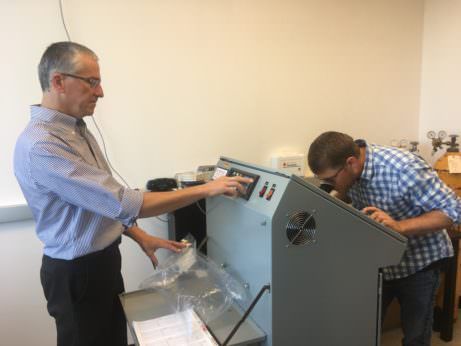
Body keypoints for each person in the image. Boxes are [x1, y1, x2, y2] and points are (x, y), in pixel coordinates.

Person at [13, 41, 251, 346]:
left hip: (102, 262)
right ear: (59, 81)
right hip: (78, 273)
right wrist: (208, 189)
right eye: (92, 82)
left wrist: (138, 234)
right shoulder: (43, 145)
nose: (100, 92)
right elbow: (123, 201)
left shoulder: (75, 130)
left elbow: (96, 203)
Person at [307, 131, 461, 346]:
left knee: (415, 335)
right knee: (365, 326)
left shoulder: (403, 168)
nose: (331, 184)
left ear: (350, 163)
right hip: (380, 262)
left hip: (420, 263)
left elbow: (452, 211)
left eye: (332, 179)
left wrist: (399, 226)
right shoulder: (352, 172)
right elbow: (346, 195)